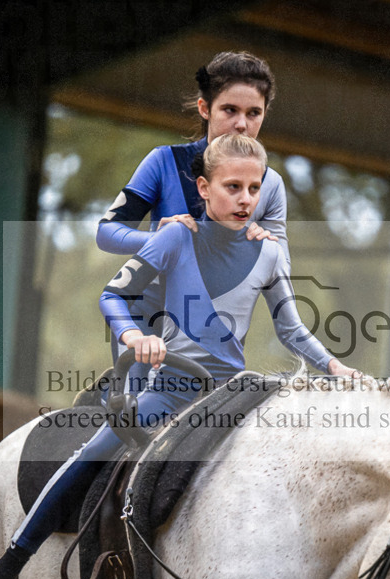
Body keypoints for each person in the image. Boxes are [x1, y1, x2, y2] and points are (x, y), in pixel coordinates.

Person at [0, 134, 358, 579]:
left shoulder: (270, 252)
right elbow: (114, 295)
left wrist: (333, 367)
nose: (244, 199)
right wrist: (134, 336)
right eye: (232, 186)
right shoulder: (175, 237)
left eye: (253, 189)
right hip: (171, 387)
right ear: (203, 187)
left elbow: (290, 328)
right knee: (93, 455)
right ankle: (9, 566)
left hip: (232, 396)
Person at [96, 51, 287, 394]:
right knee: (134, 423)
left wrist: (262, 244)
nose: (242, 124)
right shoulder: (162, 161)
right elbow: (106, 232)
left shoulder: (270, 185)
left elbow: (280, 269)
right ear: (204, 108)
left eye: (253, 113)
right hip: (148, 317)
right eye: (230, 110)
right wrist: (161, 238)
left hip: (214, 329)